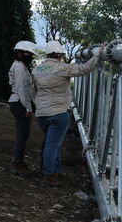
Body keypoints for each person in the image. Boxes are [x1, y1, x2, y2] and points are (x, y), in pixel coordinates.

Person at [32, 40, 103, 185]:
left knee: (51, 143)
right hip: (59, 112)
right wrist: (97, 56)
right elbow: (84, 69)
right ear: (59, 54)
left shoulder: (36, 70)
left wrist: (39, 106)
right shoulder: (62, 68)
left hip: (42, 113)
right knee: (52, 144)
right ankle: (48, 174)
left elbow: (33, 92)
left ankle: (55, 170)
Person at [8, 40, 37, 176]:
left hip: (19, 102)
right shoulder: (19, 68)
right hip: (19, 102)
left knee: (23, 134)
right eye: (27, 53)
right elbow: (22, 89)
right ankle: (17, 162)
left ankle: (19, 160)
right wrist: (28, 107)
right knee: (23, 134)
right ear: (19, 53)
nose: (29, 56)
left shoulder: (20, 66)